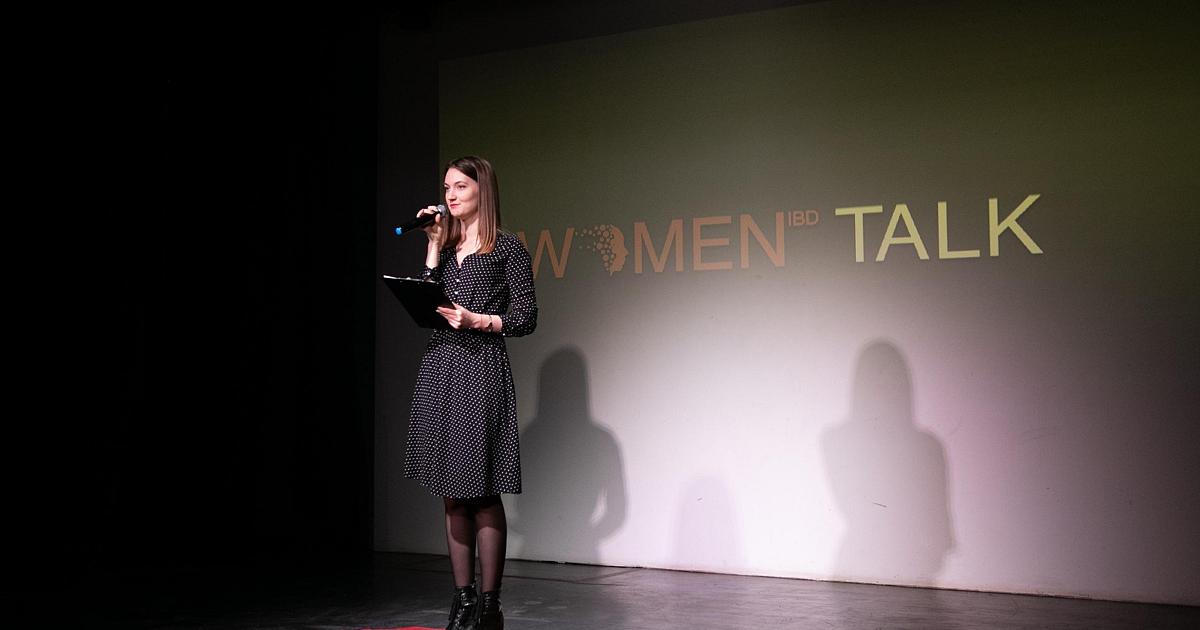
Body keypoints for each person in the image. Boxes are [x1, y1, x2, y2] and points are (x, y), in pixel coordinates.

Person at [404, 156, 537, 630]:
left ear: (483, 190)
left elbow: (526, 317)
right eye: (447, 187)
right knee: (451, 492)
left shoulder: (507, 248)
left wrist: (478, 320)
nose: (451, 195)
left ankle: (489, 605)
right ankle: (461, 601)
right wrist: (432, 246)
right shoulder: (447, 245)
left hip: (481, 369)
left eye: (460, 186)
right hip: (441, 368)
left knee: (480, 491)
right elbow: (427, 305)